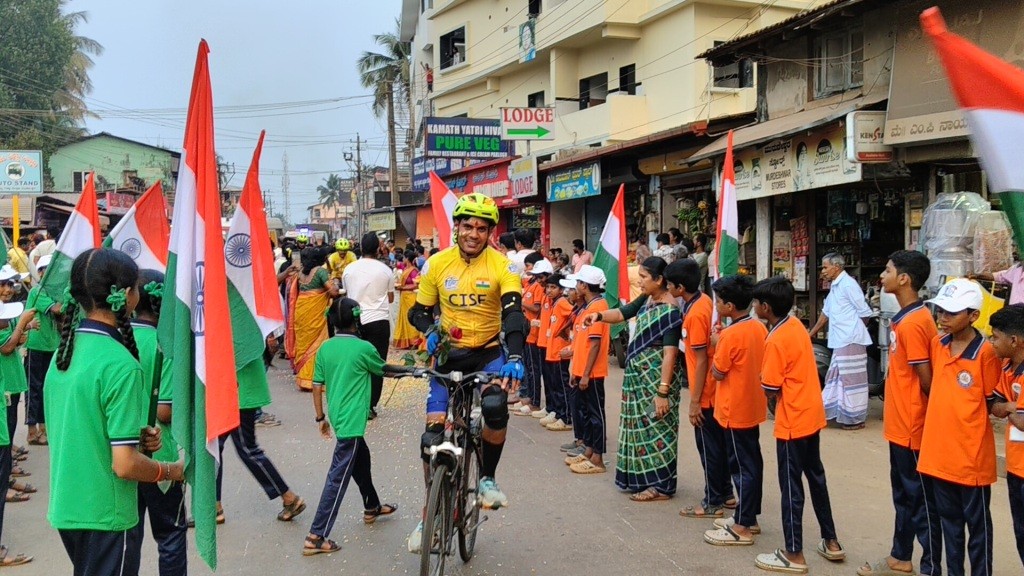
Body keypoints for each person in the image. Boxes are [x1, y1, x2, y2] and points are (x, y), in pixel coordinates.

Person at [46, 248, 185, 575]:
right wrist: (171, 470)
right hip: (106, 512)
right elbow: (124, 465)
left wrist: (134, 437)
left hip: (68, 503)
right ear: (126, 295)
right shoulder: (120, 363)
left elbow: (80, 426)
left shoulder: (63, 353)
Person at [405, 192, 527, 553]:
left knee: (494, 407)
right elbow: (418, 311)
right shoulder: (437, 264)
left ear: (490, 232)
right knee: (430, 441)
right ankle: (430, 515)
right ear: (456, 227)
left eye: (482, 228)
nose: (474, 234)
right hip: (448, 356)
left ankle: (487, 478)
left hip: (488, 354)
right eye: (468, 226)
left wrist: (515, 355)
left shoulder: (503, 266)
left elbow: (514, 315)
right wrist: (429, 330)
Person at [752, 276, 845, 574]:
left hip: (792, 419)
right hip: (811, 413)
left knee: (791, 487)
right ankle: (831, 541)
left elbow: (770, 386)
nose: (754, 307)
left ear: (766, 307)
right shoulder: (794, 326)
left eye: (756, 303)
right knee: (816, 478)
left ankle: (794, 553)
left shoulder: (776, 338)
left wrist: (766, 385)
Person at [859, 250, 942, 576]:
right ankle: (900, 555)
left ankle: (930, 565)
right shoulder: (907, 318)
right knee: (905, 495)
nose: (882, 276)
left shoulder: (915, 322)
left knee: (918, 498)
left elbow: (927, 380)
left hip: (912, 425)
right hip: (901, 424)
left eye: (888, 270)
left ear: (904, 279)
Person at [303, 298, 398, 556]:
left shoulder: (326, 348)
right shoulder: (364, 348)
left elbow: (317, 385)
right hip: (353, 421)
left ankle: (372, 506)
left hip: (337, 416)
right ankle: (316, 535)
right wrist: (412, 370)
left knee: (361, 460)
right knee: (338, 477)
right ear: (356, 319)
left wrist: (320, 418)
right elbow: (384, 370)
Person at [918, 279, 1001, 576]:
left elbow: (992, 401)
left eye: (952, 313)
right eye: (941, 311)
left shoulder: (986, 353)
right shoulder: (937, 345)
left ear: (973, 316)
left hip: (971, 458)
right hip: (938, 455)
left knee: (977, 527)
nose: (943, 317)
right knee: (949, 525)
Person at [582, 257, 683, 500]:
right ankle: (640, 479)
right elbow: (623, 313)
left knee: (657, 428)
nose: (639, 282)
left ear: (659, 280)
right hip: (638, 379)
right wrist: (598, 316)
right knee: (640, 428)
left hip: (655, 381)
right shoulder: (648, 298)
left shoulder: (670, 311)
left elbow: (670, 353)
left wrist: (662, 392)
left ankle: (660, 486)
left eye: (644, 277)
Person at [703, 274, 767, 547]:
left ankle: (743, 525)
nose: (716, 305)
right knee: (751, 463)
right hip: (752, 404)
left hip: (734, 408)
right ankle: (748, 516)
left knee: (742, 467)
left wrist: (716, 343)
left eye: (718, 301)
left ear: (729, 306)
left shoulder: (729, 335)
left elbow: (718, 372)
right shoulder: (759, 328)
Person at [129, 270, 187, 576]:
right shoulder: (164, 345)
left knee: (129, 538)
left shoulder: (118, 339)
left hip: (122, 455)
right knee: (170, 534)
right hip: (159, 457)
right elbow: (164, 411)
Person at [668, 259, 734, 519]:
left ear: (680, 287)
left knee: (708, 448)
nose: (668, 288)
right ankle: (725, 493)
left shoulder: (696, 313)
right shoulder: (704, 301)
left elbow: (701, 359)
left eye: (670, 285)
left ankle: (713, 501)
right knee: (717, 445)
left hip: (705, 391)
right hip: (710, 388)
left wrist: (695, 401)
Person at [809, 252, 873, 430]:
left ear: (836, 267)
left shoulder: (848, 285)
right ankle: (840, 414)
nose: (823, 271)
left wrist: (854, 330)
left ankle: (855, 419)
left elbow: (865, 312)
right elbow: (825, 314)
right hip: (840, 340)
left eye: (825, 267)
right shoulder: (836, 286)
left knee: (852, 380)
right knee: (837, 378)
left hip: (850, 339)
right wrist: (810, 334)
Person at [563, 265, 611, 475]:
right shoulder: (589, 307)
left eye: (579, 282)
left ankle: (598, 458)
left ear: (585, 286)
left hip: (593, 373)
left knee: (596, 414)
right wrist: (577, 371)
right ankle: (590, 450)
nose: (576, 286)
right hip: (583, 371)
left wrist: (586, 374)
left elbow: (595, 345)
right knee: (588, 413)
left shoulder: (598, 307)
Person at [342, 233, 394, 418]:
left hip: (354, 322)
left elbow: (346, 294)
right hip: (379, 321)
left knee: (355, 364)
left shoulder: (349, 269)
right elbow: (390, 297)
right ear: (378, 249)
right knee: (377, 364)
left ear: (361, 248)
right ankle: (370, 405)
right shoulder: (386, 270)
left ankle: (354, 402)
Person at [990, 304, 1024, 568]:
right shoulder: (1007, 367)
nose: (992, 342)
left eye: (995, 337)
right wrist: (1013, 407)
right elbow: (995, 406)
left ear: (1014, 340)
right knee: (1020, 532)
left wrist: (1010, 408)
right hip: (1016, 467)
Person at [286, 247, 339, 391]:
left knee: (304, 344)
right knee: (317, 344)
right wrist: (335, 282)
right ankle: (315, 379)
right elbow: (333, 292)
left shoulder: (300, 273)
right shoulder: (320, 271)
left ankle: (304, 379)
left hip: (301, 311)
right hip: (315, 313)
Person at [23, 254, 60, 446]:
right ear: (41, 272)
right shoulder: (37, 291)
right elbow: (57, 309)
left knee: (46, 387)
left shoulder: (55, 291)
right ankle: (31, 430)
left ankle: (44, 428)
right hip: (36, 345)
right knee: (33, 388)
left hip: (51, 345)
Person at [0, 300, 34, 504]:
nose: (8, 320)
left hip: (10, 387)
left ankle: (6, 480)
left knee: (9, 431)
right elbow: (6, 348)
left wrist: (19, 334)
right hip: (5, 392)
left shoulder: (5, 330)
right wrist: (21, 325)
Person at [514, 252, 548, 418]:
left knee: (534, 370)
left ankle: (534, 401)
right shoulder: (530, 284)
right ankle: (529, 398)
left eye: (529, 266)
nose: (527, 269)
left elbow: (536, 308)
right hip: (527, 332)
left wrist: (521, 302)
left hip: (535, 334)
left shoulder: (538, 287)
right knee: (528, 368)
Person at [538, 273, 573, 432]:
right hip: (552, 350)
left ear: (561, 289)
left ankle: (566, 417)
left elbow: (574, 315)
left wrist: (565, 332)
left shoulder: (562, 303)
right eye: (548, 287)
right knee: (555, 384)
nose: (549, 290)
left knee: (562, 386)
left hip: (560, 351)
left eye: (553, 287)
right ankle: (559, 413)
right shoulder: (554, 302)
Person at [392, 249, 421, 350]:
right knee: (405, 318)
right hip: (404, 296)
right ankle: (407, 341)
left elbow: (416, 284)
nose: (402, 259)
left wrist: (402, 287)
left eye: (404, 257)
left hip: (410, 297)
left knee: (410, 318)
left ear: (407, 258)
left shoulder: (413, 271)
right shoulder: (405, 269)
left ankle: (414, 341)